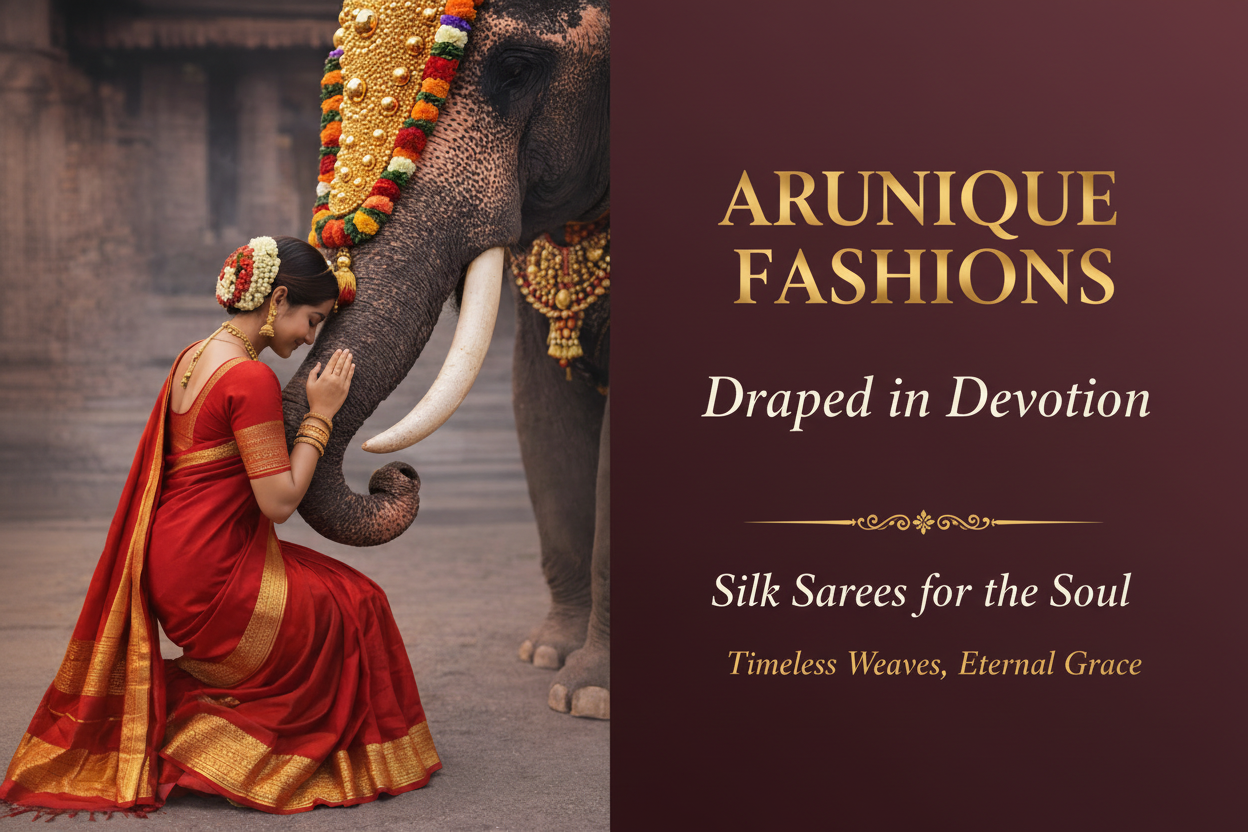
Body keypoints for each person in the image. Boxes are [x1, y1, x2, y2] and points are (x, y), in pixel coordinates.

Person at [0, 236, 440, 815]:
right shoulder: (248, 378)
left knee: (344, 594)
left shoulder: (192, 357)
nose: (310, 337)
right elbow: (279, 503)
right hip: (214, 575)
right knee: (357, 605)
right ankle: (224, 745)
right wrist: (321, 415)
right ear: (276, 298)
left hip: (176, 559)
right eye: (311, 320)